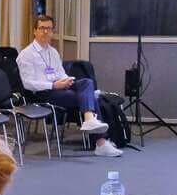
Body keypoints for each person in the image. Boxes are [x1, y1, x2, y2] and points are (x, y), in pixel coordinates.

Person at [16, 15, 120, 157]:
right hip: (42, 93)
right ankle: (100, 141)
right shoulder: (26, 55)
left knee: (87, 82)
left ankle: (90, 120)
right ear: (35, 31)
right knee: (90, 97)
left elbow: (61, 74)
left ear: (52, 31)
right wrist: (53, 85)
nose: (45, 32)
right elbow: (28, 83)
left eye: (49, 29)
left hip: (59, 87)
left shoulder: (52, 52)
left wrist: (67, 81)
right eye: (42, 28)